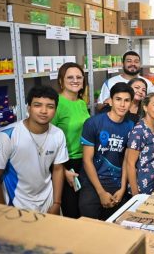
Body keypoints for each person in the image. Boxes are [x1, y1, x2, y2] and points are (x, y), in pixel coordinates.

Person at [0, 86, 68, 214]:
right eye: (37, 105)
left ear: (55, 110)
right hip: (16, 205)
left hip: (48, 202)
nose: (44, 111)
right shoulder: (8, 135)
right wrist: (2, 211)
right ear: (28, 107)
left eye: (50, 106)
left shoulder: (58, 134)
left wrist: (57, 203)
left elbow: (58, 169)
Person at [79, 82, 135, 220]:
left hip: (117, 184)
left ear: (131, 103)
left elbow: (127, 160)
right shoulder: (93, 123)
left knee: (115, 229)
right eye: (118, 99)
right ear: (110, 101)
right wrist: (101, 192)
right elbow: (87, 160)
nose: (122, 104)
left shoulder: (131, 126)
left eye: (126, 100)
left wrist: (122, 189)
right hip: (93, 183)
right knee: (89, 226)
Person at [51, 62, 90, 218]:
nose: (75, 80)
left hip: (84, 161)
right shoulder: (57, 104)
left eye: (79, 77)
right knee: (72, 211)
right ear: (61, 81)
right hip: (66, 164)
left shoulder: (81, 103)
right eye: (70, 77)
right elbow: (47, 140)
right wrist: (63, 171)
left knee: (84, 209)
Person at [126, 93, 154, 195]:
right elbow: (130, 164)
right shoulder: (139, 131)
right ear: (145, 107)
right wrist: (135, 194)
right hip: (140, 189)